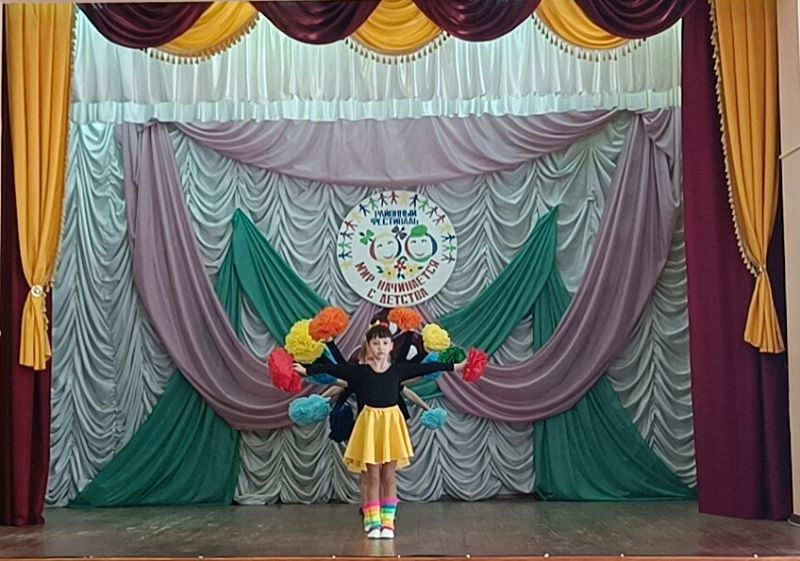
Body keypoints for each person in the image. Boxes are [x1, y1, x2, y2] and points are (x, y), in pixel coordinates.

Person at [293, 322, 464, 540]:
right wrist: (306, 371)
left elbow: (427, 368)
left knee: (389, 476)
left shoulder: (398, 370)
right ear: (369, 346)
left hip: (391, 425)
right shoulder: (360, 372)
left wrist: (457, 367)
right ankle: (373, 521)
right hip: (369, 424)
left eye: (384, 343)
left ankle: (388, 523)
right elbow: (335, 369)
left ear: (391, 346)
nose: (380, 347)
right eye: (375, 343)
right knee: (372, 477)